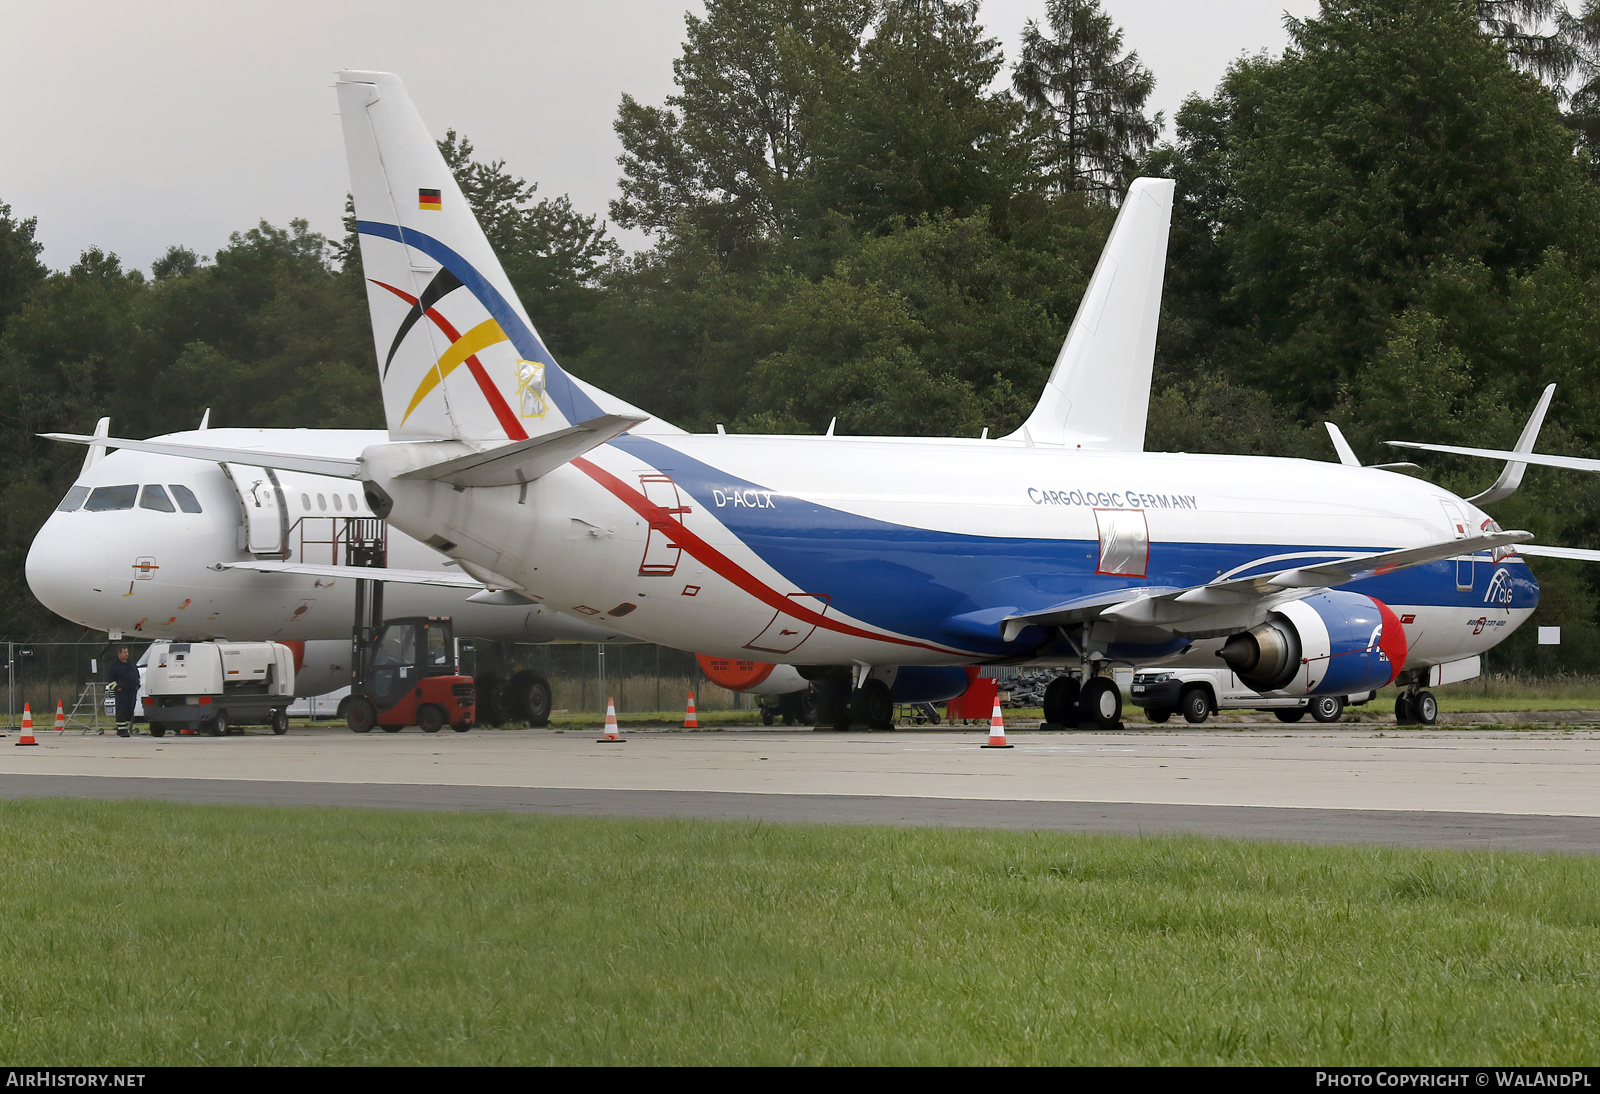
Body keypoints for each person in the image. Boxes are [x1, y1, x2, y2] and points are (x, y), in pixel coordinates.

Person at [106, 646, 140, 737]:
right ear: (119, 654)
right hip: (122, 692)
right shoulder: (115, 666)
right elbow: (110, 680)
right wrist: (117, 688)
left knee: (130, 709)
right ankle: (122, 730)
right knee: (122, 710)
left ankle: (125, 728)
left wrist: (137, 684)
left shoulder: (131, 664)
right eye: (124, 653)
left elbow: (136, 674)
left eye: (127, 652)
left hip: (132, 691)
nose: (126, 654)